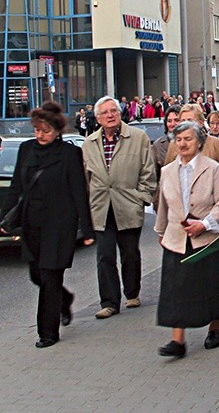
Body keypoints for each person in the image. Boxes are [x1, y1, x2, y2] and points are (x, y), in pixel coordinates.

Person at [0, 102, 95, 348]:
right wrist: (4, 219)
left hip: (60, 224)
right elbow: (16, 189)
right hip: (32, 224)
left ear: (57, 130)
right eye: (37, 130)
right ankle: (65, 299)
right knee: (36, 275)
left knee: (50, 276)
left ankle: (48, 332)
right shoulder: (26, 149)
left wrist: (86, 228)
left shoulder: (69, 153)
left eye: (45, 131)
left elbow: (79, 192)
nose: (40, 135)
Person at [154, 121, 219, 358]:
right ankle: (178, 341)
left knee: (212, 284)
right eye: (179, 139)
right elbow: (163, 205)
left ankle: (214, 328)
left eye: (188, 139)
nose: (183, 144)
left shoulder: (213, 168)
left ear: (199, 142)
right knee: (175, 288)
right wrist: (160, 232)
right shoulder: (167, 171)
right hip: (177, 237)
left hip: (208, 238)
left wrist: (205, 224)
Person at [82, 96, 157, 320]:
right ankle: (109, 302)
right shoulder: (89, 144)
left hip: (128, 205)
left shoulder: (137, 138)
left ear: (120, 112)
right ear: (97, 118)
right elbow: (85, 178)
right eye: (104, 113)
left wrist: (141, 198)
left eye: (113, 110)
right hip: (101, 207)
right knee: (104, 256)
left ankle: (132, 292)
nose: (110, 115)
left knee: (130, 254)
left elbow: (148, 171)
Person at [152, 104, 181, 186]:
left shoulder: (192, 142)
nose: (173, 124)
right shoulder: (158, 145)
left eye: (176, 120)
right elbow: (154, 175)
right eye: (169, 121)